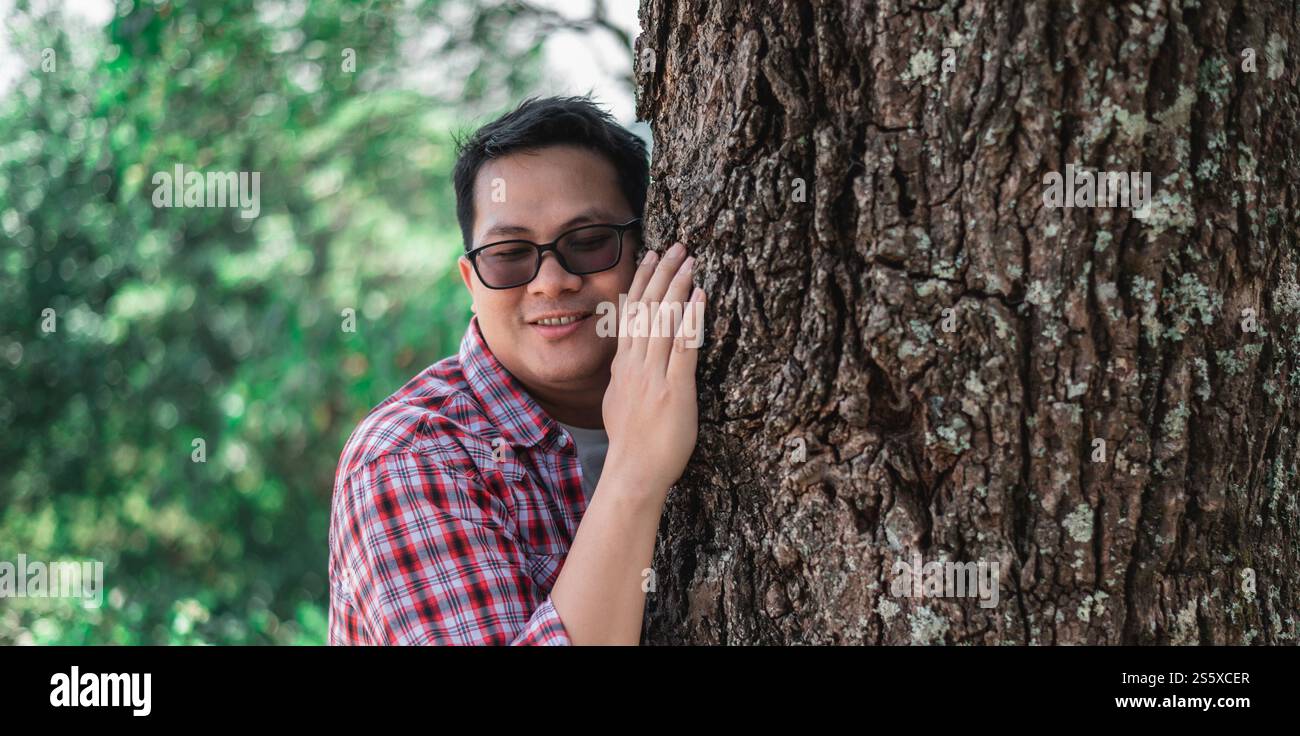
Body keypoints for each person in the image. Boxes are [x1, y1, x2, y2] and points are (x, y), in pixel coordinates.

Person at [328, 96, 706, 644]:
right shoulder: (409, 457)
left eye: (589, 242)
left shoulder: (716, 388)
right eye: (509, 253)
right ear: (471, 282)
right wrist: (636, 470)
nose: (551, 281)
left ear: (645, 246)